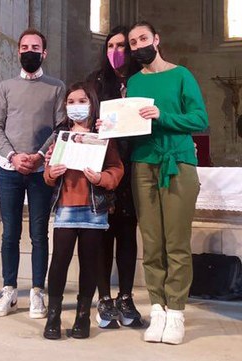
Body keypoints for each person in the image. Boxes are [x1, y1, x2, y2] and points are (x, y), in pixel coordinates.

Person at [126, 21, 209, 344]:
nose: (138, 46)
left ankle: (176, 312)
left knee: (176, 241)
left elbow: (200, 119)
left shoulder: (181, 75)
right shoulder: (132, 83)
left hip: (177, 163)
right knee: (152, 242)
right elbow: (131, 125)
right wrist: (111, 125)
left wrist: (163, 116)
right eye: (132, 42)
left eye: (143, 39)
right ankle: (157, 308)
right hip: (143, 163)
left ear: (157, 39)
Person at [0, 28, 66, 318]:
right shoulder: (6, 86)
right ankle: (9, 291)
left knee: (38, 234)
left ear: (44, 53)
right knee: (9, 233)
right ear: (18, 51)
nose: (29, 51)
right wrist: (13, 155)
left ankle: (37, 292)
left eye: (35, 47)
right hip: (10, 168)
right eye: (24, 47)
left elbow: (61, 127)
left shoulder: (56, 86)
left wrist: (36, 156)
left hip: (40, 169)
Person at [43, 82, 124, 340]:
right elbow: (48, 173)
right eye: (71, 102)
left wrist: (101, 178)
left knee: (90, 263)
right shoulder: (60, 137)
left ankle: (83, 316)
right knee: (59, 262)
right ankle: (53, 316)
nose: (76, 106)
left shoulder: (103, 136)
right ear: (65, 107)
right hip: (66, 207)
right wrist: (50, 173)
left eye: (81, 101)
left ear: (91, 103)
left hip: (93, 208)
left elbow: (116, 169)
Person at [87, 26, 143, 329]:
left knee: (127, 234)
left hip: (136, 165)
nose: (116, 51)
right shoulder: (96, 82)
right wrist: (92, 122)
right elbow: (77, 115)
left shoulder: (142, 80)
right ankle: (104, 298)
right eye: (111, 45)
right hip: (105, 164)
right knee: (104, 234)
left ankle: (125, 296)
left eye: (122, 45)